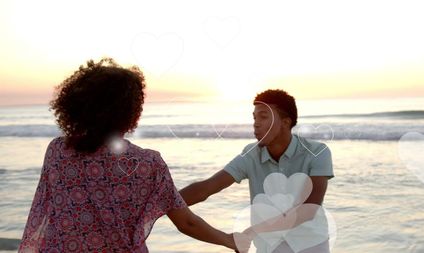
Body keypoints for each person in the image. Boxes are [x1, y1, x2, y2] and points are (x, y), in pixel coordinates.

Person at [18, 58, 247, 253]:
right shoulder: (148, 164)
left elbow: (44, 215)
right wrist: (230, 240)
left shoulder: (57, 152)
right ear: (132, 111)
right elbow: (187, 222)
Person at [180, 89, 334, 252]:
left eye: (264, 117)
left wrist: (255, 229)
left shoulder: (317, 152)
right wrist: (161, 200)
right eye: (254, 118)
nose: (256, 123)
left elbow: (309, 209)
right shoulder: (250, 155)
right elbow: (208, 187)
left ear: (285, 122)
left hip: (311, 245)